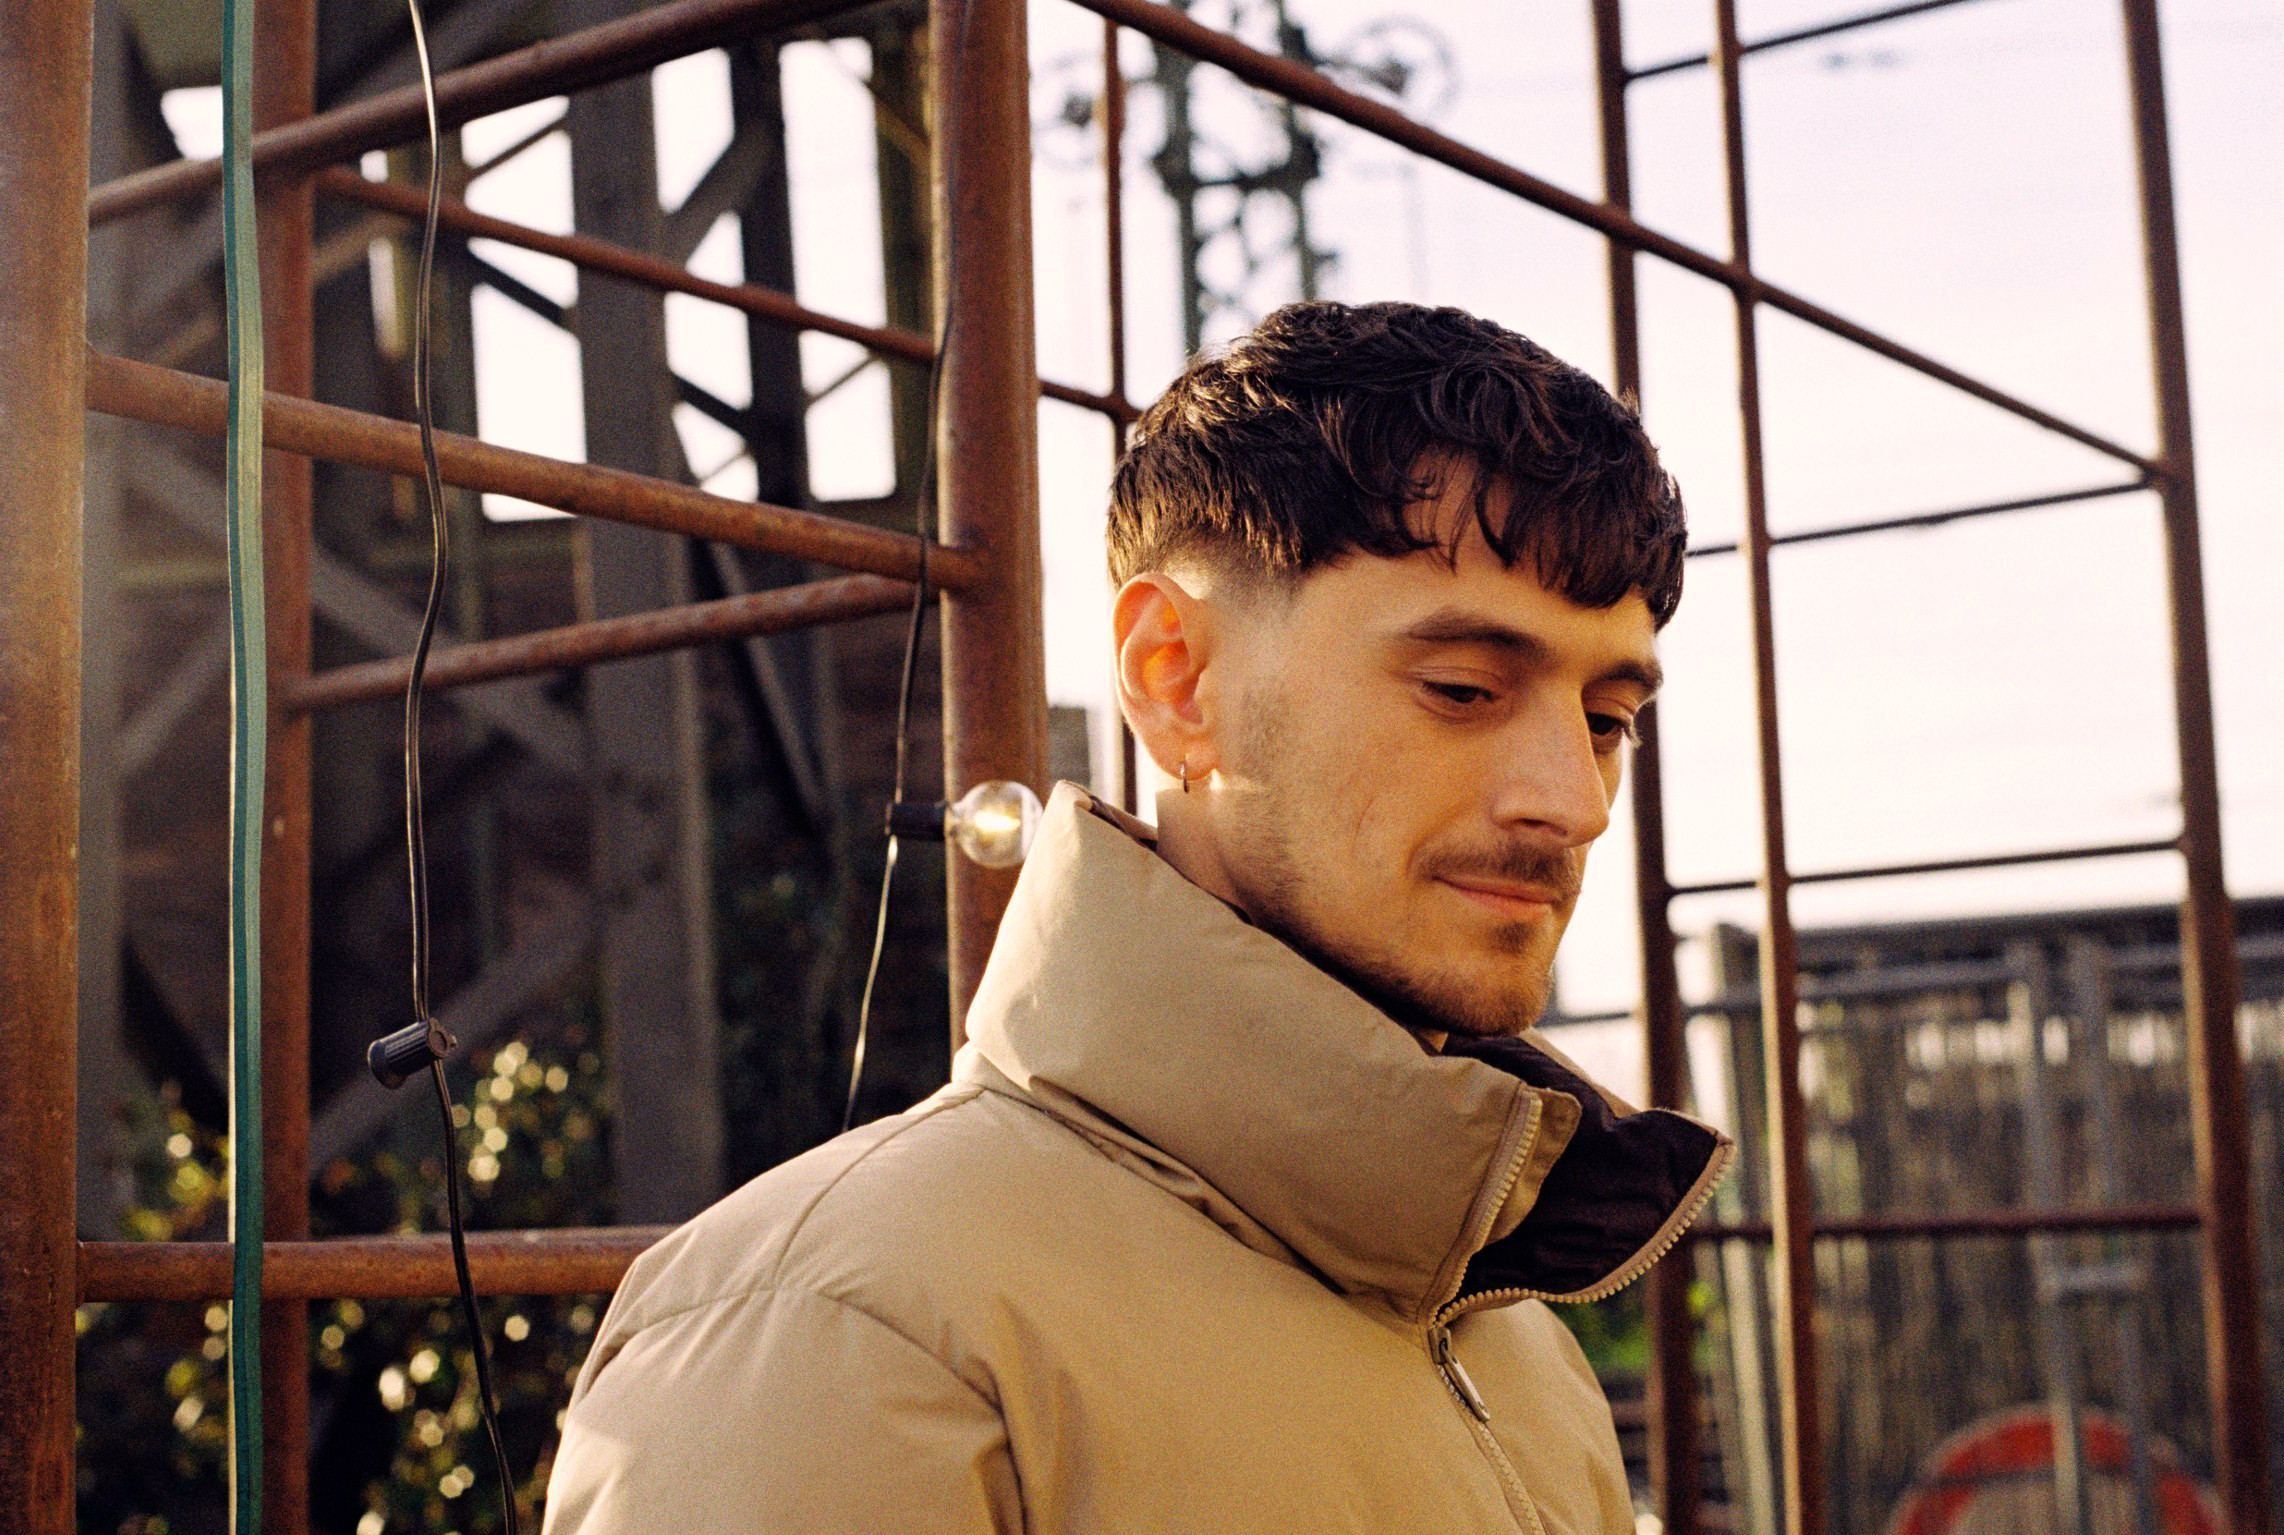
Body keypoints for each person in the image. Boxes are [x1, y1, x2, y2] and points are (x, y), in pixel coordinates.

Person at [538, 300, 1733, 1534]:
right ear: (1175, 677)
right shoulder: (840, 1338)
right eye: (1464, 688)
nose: (1574, 801)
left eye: (1607, 719)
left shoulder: (1514, 1341)